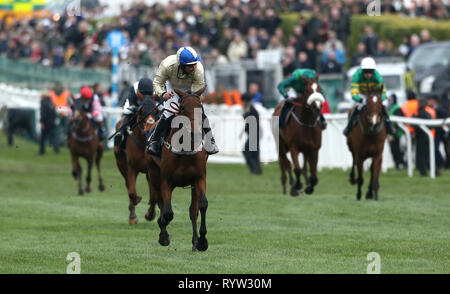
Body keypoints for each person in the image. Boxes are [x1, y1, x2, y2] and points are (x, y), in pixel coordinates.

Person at [146, 46, 219, 156]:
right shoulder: (167, 65)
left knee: (198, 111)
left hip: (191, 88)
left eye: (195, 64)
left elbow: (198, 87)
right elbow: (157, 83)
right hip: (172, 86)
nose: (194, 67)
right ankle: (155, 142)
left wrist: (190, 99)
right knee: (169, 111)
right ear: (182, 65)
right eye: (190, 66)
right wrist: (163, 94)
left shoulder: (198, 68)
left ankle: (210, 141)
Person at [343, 57, 395, 136]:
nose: (368, 74)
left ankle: (389, 126)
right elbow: (354, 94)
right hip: (362, 94)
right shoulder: (356, 76)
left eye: (370, 72)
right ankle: (349, 127)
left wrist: (380, 99)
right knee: (356, 108)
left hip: (374, 95)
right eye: (366, 72)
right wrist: (361, 100)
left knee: (383, 108)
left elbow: (384, 93)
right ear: (362, 70)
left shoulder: (378, 77)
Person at [116, 77, 160, 149]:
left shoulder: (156, 89)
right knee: (128, 112)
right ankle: (120, 133)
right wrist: (138, 109)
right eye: (144, 94)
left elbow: (160, 104)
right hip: (136, 103)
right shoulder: (134, 88)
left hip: (151, 105)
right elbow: (131, 103)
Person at [241, 93, 262, 175]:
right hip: (253, 134)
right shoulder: (250, 109)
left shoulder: (252, 110)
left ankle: (254, 168)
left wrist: (245, 115)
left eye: (243, 101)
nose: (243, 103)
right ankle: (257, 169)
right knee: (254, 153)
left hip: (254, 134)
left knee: (246, 151)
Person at [388, 94, 406, 169]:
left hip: (396, 133)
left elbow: (398, 121)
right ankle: (397, 164)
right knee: (393, 149)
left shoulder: (397, 108)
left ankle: (402, 163)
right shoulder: (390, 108)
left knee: (397, 149)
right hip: (390, 132)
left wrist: (394, 132)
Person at [39, 90, 58, 154]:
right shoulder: (51, 102)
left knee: (43, 138)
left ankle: (42, 151)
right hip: (52, 122)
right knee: (53, 136)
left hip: (45, 122)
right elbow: (55, 113)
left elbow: (43, 113)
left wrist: (42, 122)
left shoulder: (43, 102)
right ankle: (56, 149)